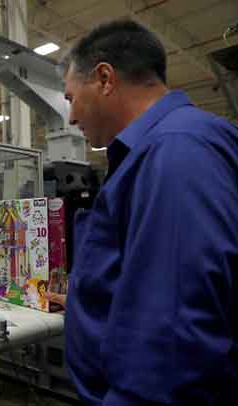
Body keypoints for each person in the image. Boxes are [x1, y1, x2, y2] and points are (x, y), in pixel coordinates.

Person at [61, 19, 238, 404]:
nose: (71, 117)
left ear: (105, 78)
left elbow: (172, 343)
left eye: (70, 98)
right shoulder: (155, 152)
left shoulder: (176, 152)